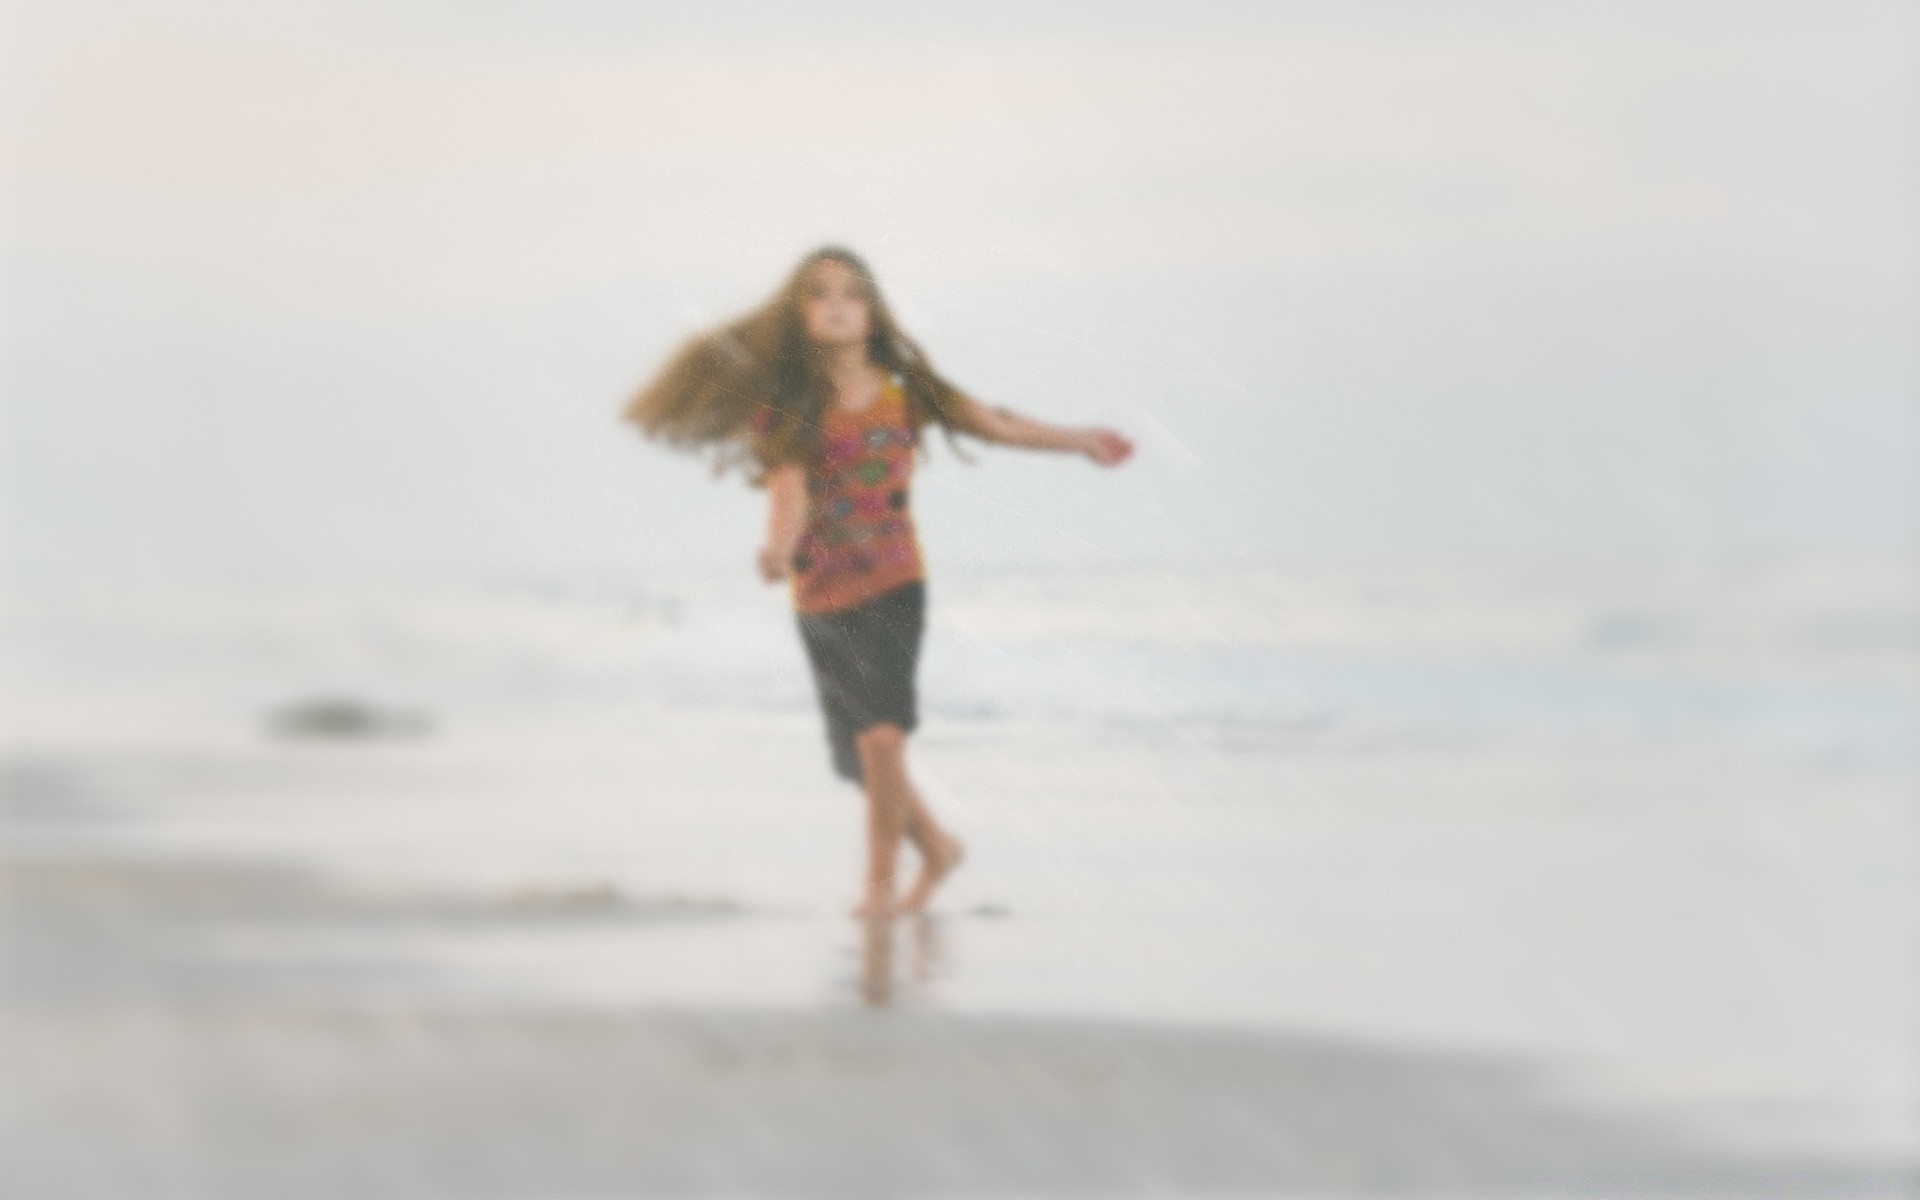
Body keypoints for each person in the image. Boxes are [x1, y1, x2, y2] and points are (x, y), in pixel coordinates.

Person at [625, 246, 1132, 917]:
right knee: (859, 758)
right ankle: (939, 849)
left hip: (895, 581)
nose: (837, 303)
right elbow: (789, 491)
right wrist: (777, 547)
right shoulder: (791, 406)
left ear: (871, 312)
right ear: (800, 315)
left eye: (851, 293)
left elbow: (993, 420)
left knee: (883, 738)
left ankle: (878, 889)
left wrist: (1077, 440)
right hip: (820, 593)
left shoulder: (906, 390)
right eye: (820, 294)